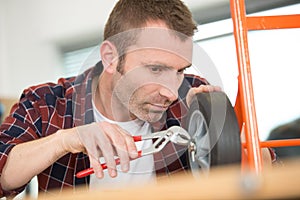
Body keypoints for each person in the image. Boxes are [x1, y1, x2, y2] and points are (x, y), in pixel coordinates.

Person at [0, 0, 270, 197]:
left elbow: (260, 172)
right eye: (155, 69)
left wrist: (230, 141)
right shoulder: (47, 102)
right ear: (110, 58)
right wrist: (66, 140)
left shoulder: (193, 97)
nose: (170, 92)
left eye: (179, 71)